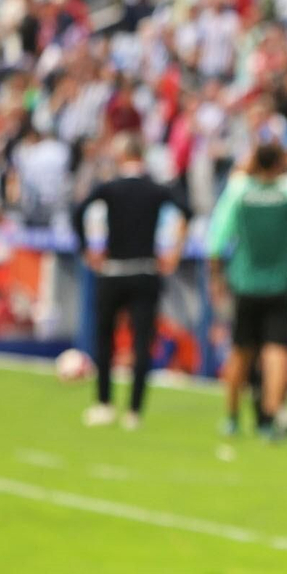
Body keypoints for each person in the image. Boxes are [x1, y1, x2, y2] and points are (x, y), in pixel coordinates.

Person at [71, 133, 190, 430]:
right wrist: (174, 250)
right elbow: (186, 210)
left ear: (123, 157)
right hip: (145, 271)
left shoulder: (111, 187)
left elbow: (78, 211)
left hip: (113, 271)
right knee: (142, 342)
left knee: (104, 339)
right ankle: (135, 411)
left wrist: (88, 248)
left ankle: (104, 403)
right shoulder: (155, 189)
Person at [206, 142, 287, 441]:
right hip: (280, 284)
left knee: (241, 351)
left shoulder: (239, 192)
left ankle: (231, 416)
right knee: (276, 352)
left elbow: (218, 237)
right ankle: (269, 417)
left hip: (246, 283)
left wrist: (215, 276)